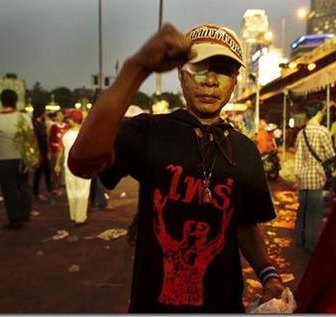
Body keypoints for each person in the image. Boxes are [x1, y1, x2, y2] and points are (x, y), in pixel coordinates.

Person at [68, 23, 285, 313]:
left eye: (222, 69)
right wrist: (138, 66)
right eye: (199, 67)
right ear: (181, 73)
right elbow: (82, 163)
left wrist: (268, 275)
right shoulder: (149, 132)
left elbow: (244, 223)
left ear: (235, 79)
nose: (209, 80)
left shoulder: (244, 151)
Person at [0, 89, 33, 229]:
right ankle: (25, 214)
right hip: (22, 159)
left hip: (4, 160)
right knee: (23, 186)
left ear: (1, 101)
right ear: (15, 101)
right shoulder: (24, 117)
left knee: (9, 189)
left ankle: (14, 219)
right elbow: (30, 139)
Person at [294, 100, 335, 251]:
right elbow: (330, 155)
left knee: (302, 210)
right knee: (314, 213)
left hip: (303, 178)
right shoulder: (323, 131)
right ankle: (311, 244)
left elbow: (298, 158)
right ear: (318, 113)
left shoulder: (301, 133)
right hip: (317, 178)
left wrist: (297, 177)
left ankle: (299, 239)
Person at [55, 110, 90, 225]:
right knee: (83, 192)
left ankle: (73, 215)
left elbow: (60, 150)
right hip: (84, 166)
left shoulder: (65, 134)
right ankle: (80, 217)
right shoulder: (86, 134)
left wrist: (57, 164)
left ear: (72, 120)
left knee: (72, 191)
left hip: (69, 166)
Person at [32, 104, 53, 201]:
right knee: (39, 172)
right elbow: (35, 139)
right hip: (38, 151)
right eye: (44, 111)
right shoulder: (34, 123)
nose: (46, 113)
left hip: (44, 150)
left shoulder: (42, 123)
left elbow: (46, 138)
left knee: (47, 170)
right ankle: (35, 192)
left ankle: (48, 188)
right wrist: (37, 153)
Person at [49, 110, 68, 194]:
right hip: (54, 149)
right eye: (58, 115)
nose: (60, 117)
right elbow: (49, 138)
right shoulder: (52, 126)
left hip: (63, 149)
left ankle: (62, 185)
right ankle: (56, 184)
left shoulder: (66, 126)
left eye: (61, 115)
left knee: (63, 167)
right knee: (55, 167)